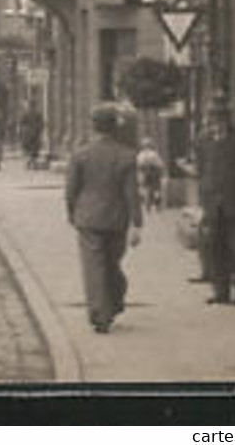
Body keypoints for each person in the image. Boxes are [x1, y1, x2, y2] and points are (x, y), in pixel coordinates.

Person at [65, 103, 143, 333]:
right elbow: (132, 193)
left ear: (93, 126)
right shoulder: (126, 156)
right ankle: (112, 302)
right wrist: (137, 223)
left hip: (88, 217)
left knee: (94, 266)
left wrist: (71, 213)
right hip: (117, 218)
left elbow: (71, 190)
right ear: (114, 127)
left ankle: (101, 313)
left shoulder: (80, 155)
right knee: (111, 263)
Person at [197, 94, 235, 304]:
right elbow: (201, 170)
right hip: (212, 204)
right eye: (213, 116)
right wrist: (204, 198)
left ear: (228, 118)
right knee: (215, 249)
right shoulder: (202, 139)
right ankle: (221, 292)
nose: (216, 120)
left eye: (220, 116)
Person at [137, 139, 166, 213]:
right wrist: (161, 172)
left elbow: (138, 164)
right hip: (154, 173)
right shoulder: (154, 154)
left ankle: (147, 205)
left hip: (145, 173)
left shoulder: (140, 155)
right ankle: (157, 204)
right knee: (156, 189)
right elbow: (160, 164)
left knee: (146, 188)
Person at [20, 102, 45, 169]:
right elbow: (41, 123)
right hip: (33, 134)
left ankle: (31, 162)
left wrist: (23, 131)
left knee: (31, 148)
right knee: (33, 149)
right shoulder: (35, 114)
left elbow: (22, 124)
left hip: (30, 134)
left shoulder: (28, 114)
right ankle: (31, 162)